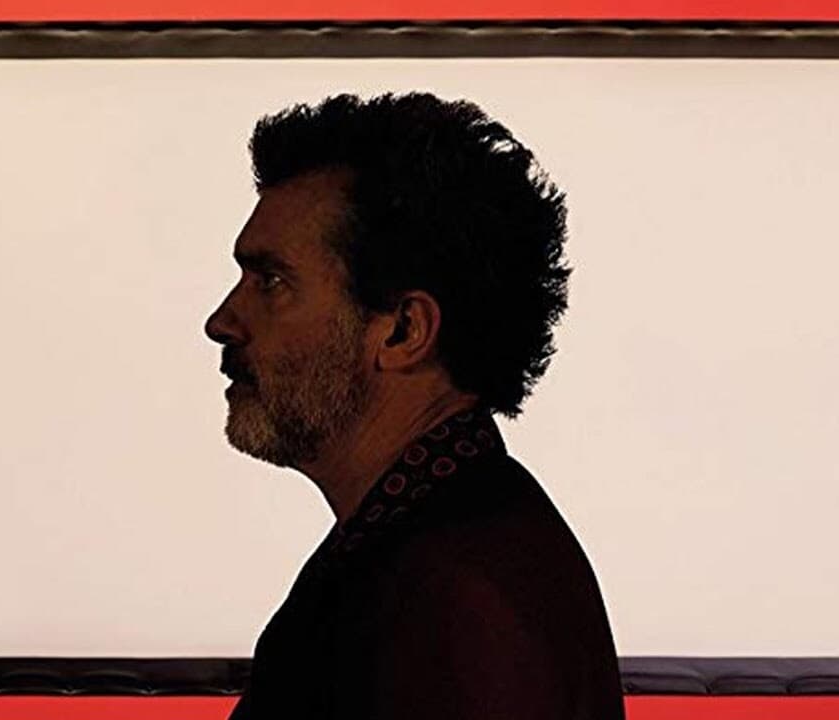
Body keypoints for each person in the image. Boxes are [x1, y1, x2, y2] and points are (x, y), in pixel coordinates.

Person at [204, 91, 626, 720]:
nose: (222, 321)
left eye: (272, 282)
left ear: (403, 330)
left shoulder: (462, 599)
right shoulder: (425, 545)